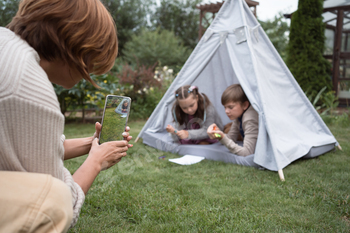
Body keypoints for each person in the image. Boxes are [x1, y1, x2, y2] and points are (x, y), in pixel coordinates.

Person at [0, 0, 132, 232]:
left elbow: (30, 148)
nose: (89, 72)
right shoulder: (29, 87)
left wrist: (91, 145)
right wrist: (96, 161)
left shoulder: (6, 45)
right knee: (53, 199)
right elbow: (56, 202)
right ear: (78, 46)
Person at [207, 84, 259, 156]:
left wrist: (222, 137)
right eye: (225, 107)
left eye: (230, 107)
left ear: (245, 105)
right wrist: (218, 134)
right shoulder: (239, 115)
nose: (226, 111)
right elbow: (230, 138)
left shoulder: (250, 119)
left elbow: (247, 153)